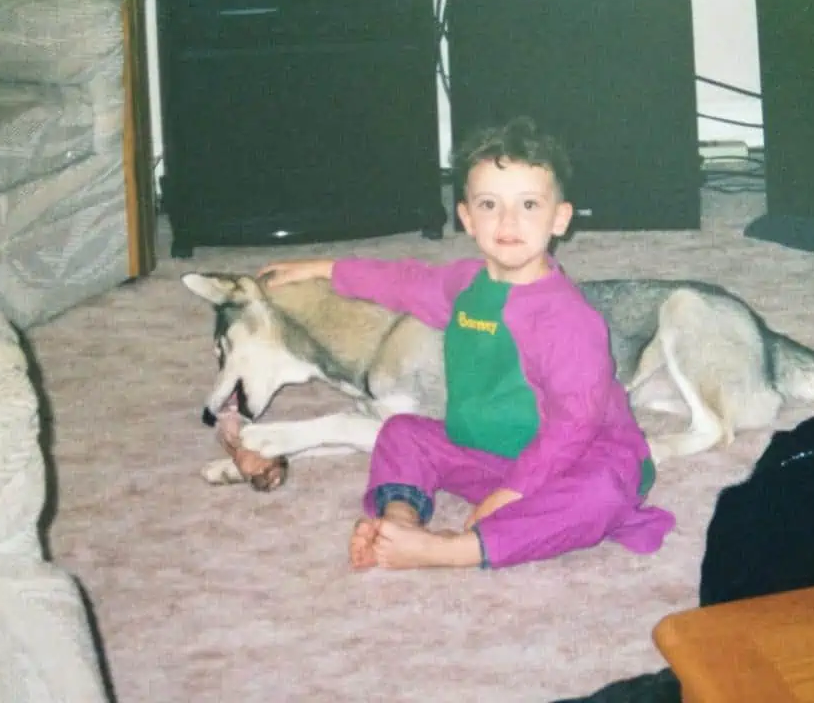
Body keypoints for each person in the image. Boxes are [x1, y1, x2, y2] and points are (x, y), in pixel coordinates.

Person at [258, 116, 676, 571]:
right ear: (467, 218)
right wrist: (324, 268)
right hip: (489, 452)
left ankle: (455, 550)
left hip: (577, 457)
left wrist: (510, 495)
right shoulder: (465, 286)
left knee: (603, 493)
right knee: (402, 434)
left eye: (529, 205)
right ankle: (402, 521)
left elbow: (573, 426)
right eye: (489, 204)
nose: (508, 221)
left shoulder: (568, 320)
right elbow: (404, 282)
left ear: (560, 219)